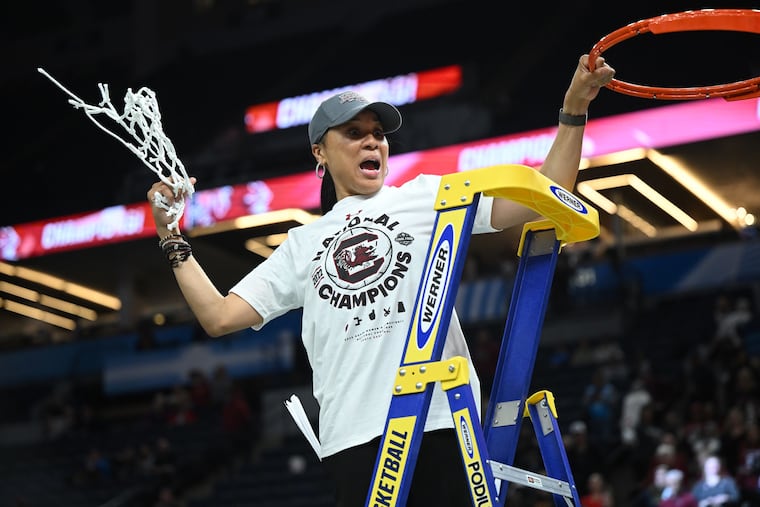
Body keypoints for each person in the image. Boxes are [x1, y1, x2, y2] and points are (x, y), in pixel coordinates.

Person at [146, 54, 615, 506]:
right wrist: (171, 235)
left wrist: (573, 111)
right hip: (353, 435)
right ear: (319, 152)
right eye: (354, 133)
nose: (373, 143)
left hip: (440, 419)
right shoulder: (302, 243)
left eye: (378, 135)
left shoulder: (426, 195)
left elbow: (545, 196)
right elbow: (219, 315)